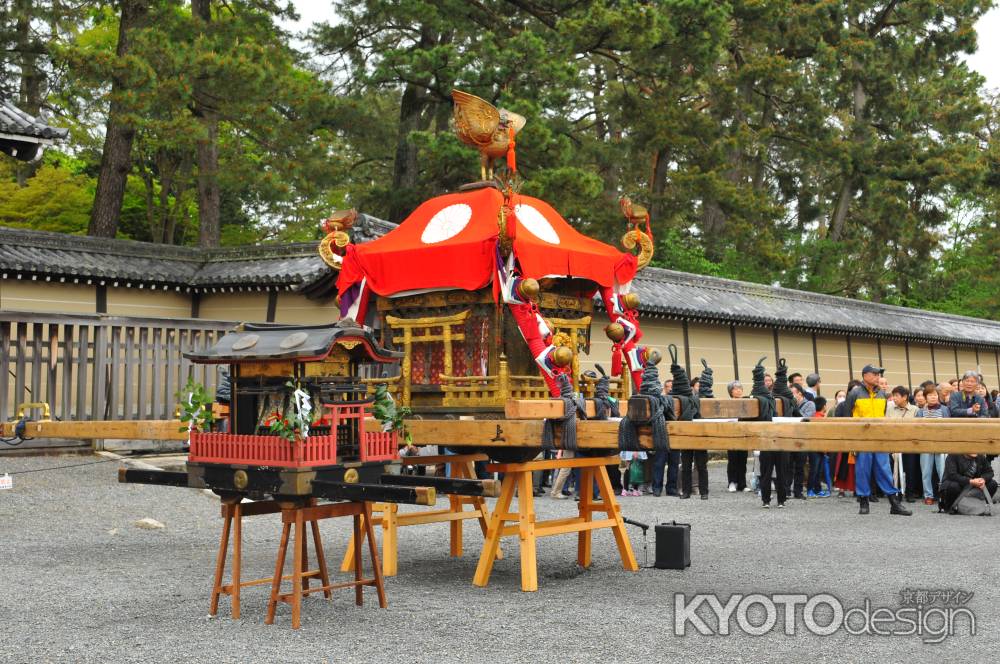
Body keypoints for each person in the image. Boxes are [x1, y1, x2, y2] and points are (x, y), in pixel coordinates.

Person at [844, 364, 912, 516]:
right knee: (862, 470)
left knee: (885, 470)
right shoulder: (854, 393)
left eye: (878, 374)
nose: (877, 377)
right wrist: (851, 441)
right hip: (861, 439)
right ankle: (863, 502)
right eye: (874, 374)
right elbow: (846, 418)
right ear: (865, 375)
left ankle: (894, 503)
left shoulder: (882, 394)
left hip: (879, 438)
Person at [916, 385, 950, 505]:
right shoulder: (920, 412)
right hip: (926, 445)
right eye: (930, 395)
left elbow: (948, 428)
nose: (933, 397)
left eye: (935, 395)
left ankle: (943, 494)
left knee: (942, 471)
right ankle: (928, 495)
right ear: (925, 397)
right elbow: (917, 429)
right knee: (926, 472)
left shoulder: (945, 409)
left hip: (941, 444)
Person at [886, 385, 919, 502]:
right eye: (893, 396)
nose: (894, 398)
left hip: (909, 444)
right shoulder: (890, 409)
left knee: (910, 469)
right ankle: (897, 492)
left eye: (896, 396)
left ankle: (909, 493)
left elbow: (917, 427)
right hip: (894, 444)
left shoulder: (915, 410)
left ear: (905, 397)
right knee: (895, 469)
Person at [788, 383, 813, 498]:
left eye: (792, 393)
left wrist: (793, 408)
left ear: (800, 393)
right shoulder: (788, 404)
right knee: (788, 466)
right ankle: (786, 490)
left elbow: (804, 419)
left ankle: (798, 491)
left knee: (800, 466)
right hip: (790, 438)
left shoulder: (810, 404)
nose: (791, 396)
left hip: (802, 439)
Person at [725, 380, 748, 492]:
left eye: (740, 388)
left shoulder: (747, 403)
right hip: (731, 433)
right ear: (731, 391)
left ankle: (742, 484)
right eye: (735, 388)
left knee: (743, 459)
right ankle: (732, 482)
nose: (739, 390)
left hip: (744, 434)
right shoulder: (728, 404)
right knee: (733, 459)